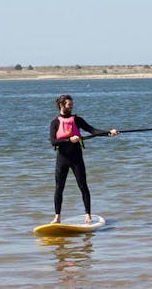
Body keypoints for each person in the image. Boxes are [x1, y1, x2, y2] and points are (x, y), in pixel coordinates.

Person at [49, 95, 119, 224]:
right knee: (59, 188)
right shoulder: (55, 122)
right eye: (69, 104)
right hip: (62, 160)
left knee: (83, 186)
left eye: (71, 104)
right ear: (62, 105)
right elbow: (53, 141)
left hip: (76, 159)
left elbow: (92, 130)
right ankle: (57, 217)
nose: (71, 107)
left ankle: (88, 215)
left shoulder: (77, 120)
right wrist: (69, 139)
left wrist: (109, 133)